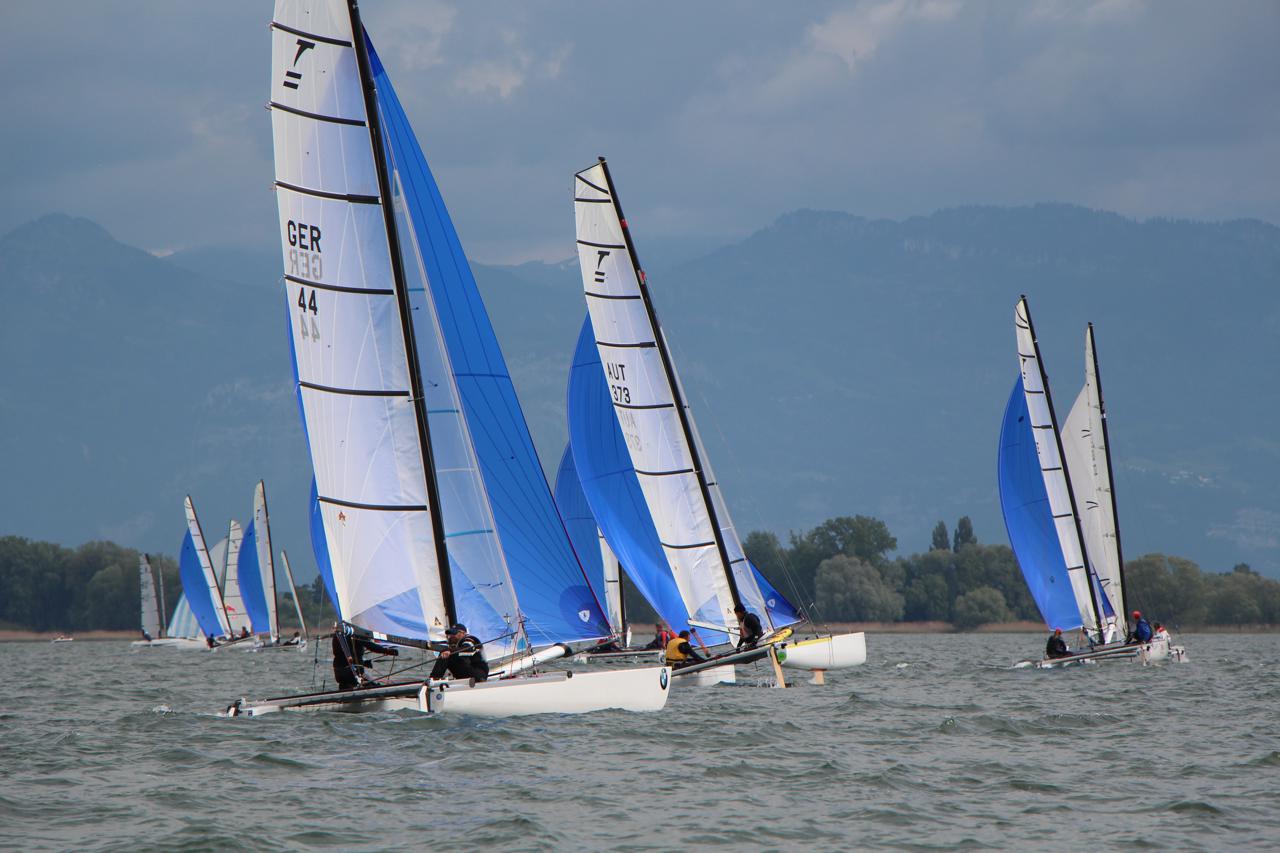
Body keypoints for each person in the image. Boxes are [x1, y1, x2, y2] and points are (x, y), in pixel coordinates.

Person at [331, 626, 399, 690]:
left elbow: (342, 655)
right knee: (374, 687)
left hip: (339, 672)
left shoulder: (339, 633)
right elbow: (370, 645)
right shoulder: (355, 631)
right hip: (351, 672)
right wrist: (386, 651)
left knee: (345, 687)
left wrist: (363, 663)